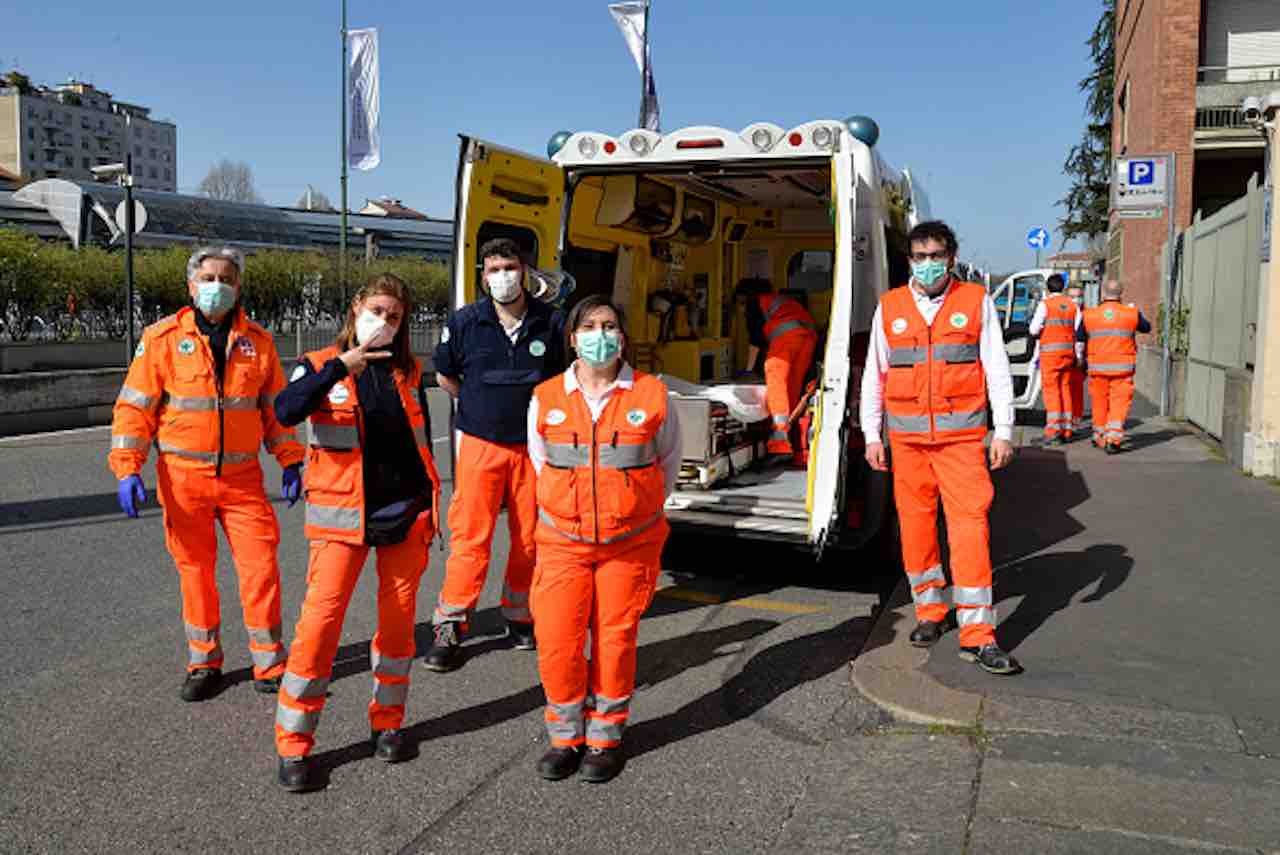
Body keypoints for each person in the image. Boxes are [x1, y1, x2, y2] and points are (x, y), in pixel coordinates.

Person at [270, 274, 442, 792]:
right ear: (355, 310)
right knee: (318, 629)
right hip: (342, 520)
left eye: (393, 316)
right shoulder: (320, 363)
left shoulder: (407, 371)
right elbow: (285, 410)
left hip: (404, 514)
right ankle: (294, 744)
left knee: (396, 629)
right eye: (377, 311)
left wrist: (431, 508)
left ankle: (387, 724)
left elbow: (423, 443)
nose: (384, 322)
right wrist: (338, 369)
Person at [108, 246, 302, 701]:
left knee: (260, 569)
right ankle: (204, 661)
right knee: (195, 572)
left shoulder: (260, 342)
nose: (218, 286)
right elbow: (134, 409)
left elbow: (276, 410)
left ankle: (269, 661)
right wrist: (126, 468)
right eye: (209, 277)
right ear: (191, 286)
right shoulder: (160, 340)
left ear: (238, 288)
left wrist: (290, 457)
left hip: (242, 480)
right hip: (182, 480)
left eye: (227, 279)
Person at [526, 295, 682, 783]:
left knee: (615, 640)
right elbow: (540, 464)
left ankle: (605, 738)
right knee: (557, 640)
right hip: (562, 541)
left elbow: (667, 464)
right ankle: (565, 736)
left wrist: (631, 507)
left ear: (623, 335)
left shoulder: (652, 395)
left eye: (609, 325)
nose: (600, 334)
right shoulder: (546, 397)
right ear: (572, 338)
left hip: (629, 541)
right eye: (589, 326)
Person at [860, 220, 1020, 675]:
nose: (927, 264)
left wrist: (1003, 429)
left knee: (970, 532)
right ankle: (930, 612)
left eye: (936, 256)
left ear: (951, 257)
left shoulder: (974, 301)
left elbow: (996, 367)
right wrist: (872, 434)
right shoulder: (889, 307)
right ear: (909, 260)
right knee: (916, 531)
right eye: (919, 256)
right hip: (907, 444)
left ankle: (979, 634)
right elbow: (876, 375)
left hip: (962, 443)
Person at [427, 238, 567, 671]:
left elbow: (565, 378)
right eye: (493, 269)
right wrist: (479, 405)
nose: (502, 276)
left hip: (533, 449)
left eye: (509, 266)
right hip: (480, 444)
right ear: (482, 276)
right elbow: (446, 376)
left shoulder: (552, 322)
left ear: (524, 271)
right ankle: (451, 622)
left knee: (530, 539)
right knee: (471, 537)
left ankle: (518, 614)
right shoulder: (466, 322)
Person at [735, 278, 818, 462]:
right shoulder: (779, 301)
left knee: (775, 375)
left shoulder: (755, 302)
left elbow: (756, 339)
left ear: (746, 296)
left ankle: (780, 441)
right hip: (808, 337)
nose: (740, 307)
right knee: (792, 386)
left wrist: (748, 372)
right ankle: (795, 444)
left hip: (787, 337)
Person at [1078, 279, 1151, 454]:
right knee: (1119, 403)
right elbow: (1146, 328)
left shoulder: (1090, 314)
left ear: (1103, 293)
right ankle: (1113, 438)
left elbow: (1080, 339)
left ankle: (1099, 435)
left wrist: (1081, 360)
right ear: (1121, 294)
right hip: (1122, 369)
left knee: (1099, 401)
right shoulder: (1131, 313)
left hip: (1097, 368)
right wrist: (1135, 311)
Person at [1028, 274, 1083, 445]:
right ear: (1063, 288)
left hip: (1050, 355)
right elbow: (1077, 332)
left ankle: (1052, 431)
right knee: (1065, 389)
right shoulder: (1073, 307)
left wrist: (1043, 328)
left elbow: (1033, 330)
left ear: (1047, 288)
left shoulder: (1045, 305)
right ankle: (1066, 429)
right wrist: (1079, 356)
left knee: (1051, 392)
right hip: (1068, 354)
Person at [1066, 283, 1088, 437]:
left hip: (1080, 359)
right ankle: (1067, 421)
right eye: (1073, 296)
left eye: (1079, 296)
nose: (1076, 300)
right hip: (1064, 356)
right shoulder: (1063, 312)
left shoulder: (1087, 314)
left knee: (1077, 389)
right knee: (1065, 390)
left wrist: (1081, 357)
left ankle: (1075, 420)